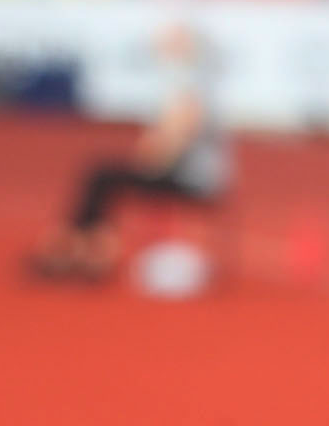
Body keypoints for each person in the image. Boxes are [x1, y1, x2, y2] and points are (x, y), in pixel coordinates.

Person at [26, 24, 234, 283]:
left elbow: (174, 138)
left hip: (194, 181)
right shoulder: (192, 83)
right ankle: (84, 248)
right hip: (190, 176)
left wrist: (147, 158)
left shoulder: (189, 85)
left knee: (104, 177)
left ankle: (82, 249)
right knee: (105, 178)